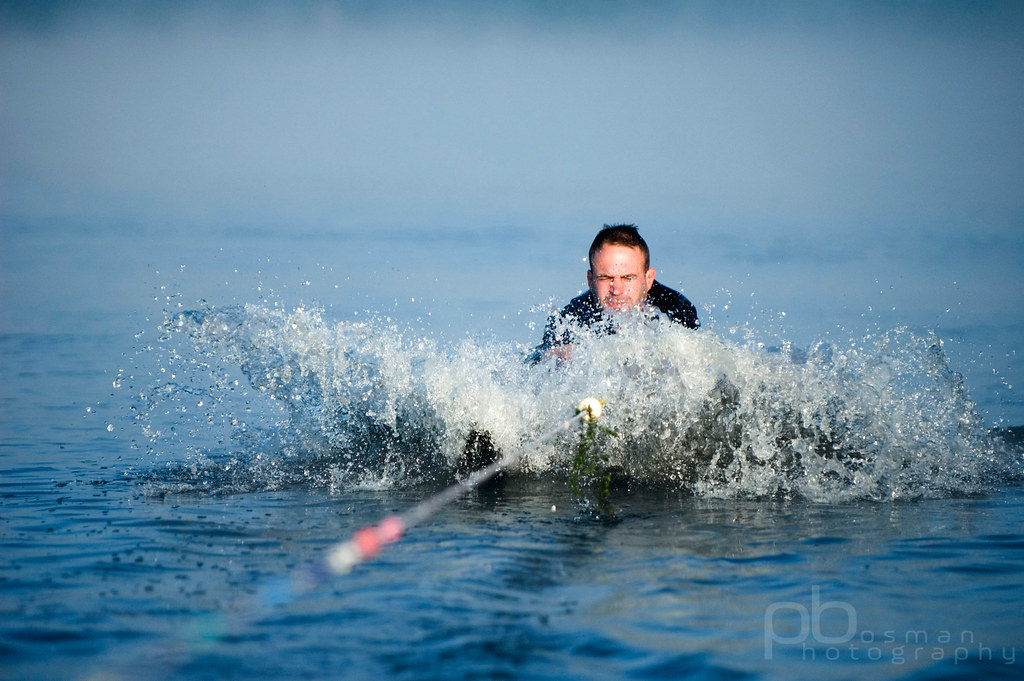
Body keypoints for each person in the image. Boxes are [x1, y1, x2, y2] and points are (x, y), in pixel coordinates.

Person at [532, 224, 698, 362]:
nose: (616, 290)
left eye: (628, 278)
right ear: (590, 281)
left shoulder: (675, 309)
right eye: (605, 278)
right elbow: (541, 361)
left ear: (648, 279)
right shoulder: (573, 316)